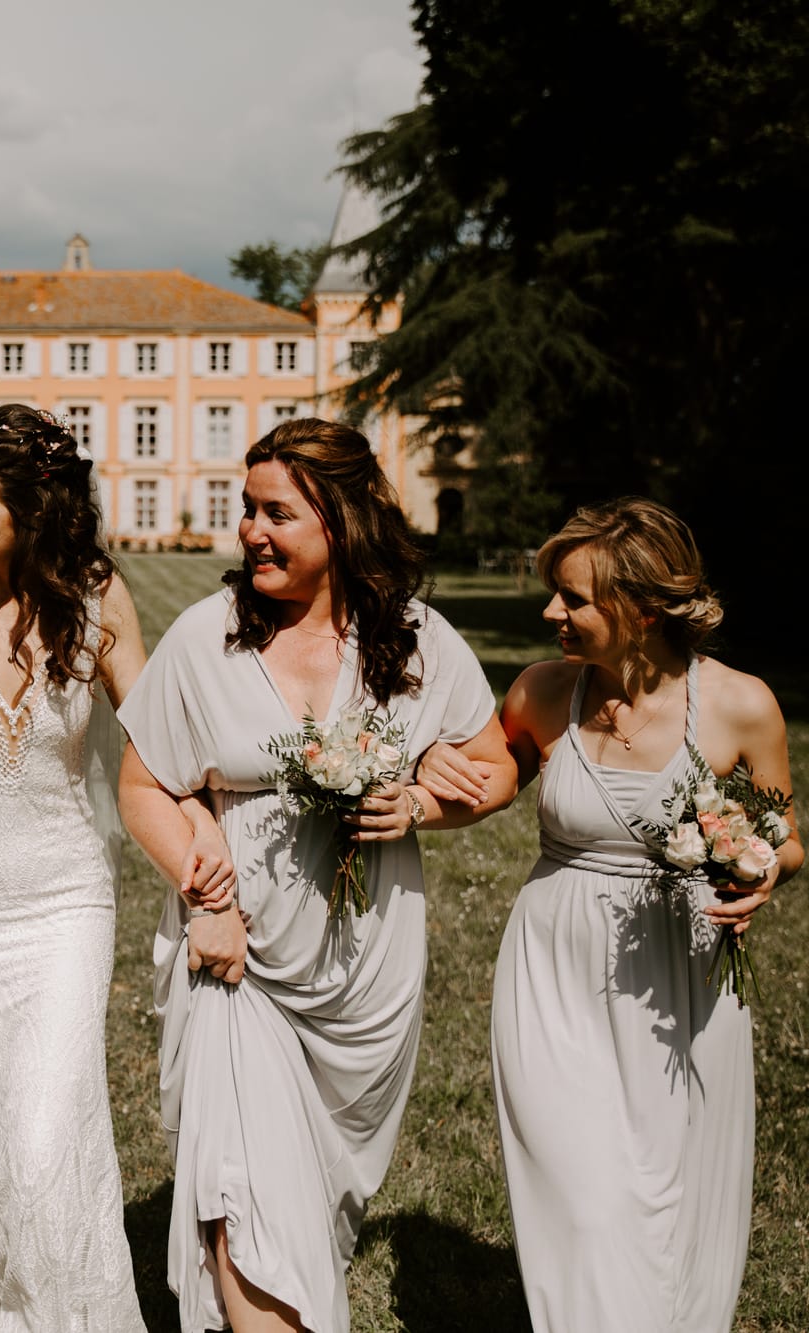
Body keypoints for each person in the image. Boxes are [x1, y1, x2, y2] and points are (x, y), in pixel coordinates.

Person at [117, 418, 517, 1333]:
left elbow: (492, 767)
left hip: (366, 967)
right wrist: (200, 889)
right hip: (237, 958)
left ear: (340, 520)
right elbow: (141, 784)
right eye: (245, 508)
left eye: (277, 513)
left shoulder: (417, 640)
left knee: (316, 1206)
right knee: (241, 1191)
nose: (251, 530)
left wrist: (419, 803)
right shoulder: (203, 639)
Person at [0, 404, 235, 1332]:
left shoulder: (99, 598)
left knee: (43, 1130)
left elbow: (158, 743)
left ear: (33, 511)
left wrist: (209, 844)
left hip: (63, 902)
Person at [415, 497, 803, 1332]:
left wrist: (760, 871)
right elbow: (483, 788)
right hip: (554, 969)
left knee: (674, 1191)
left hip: (682, 977)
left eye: (574, 597)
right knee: (585, 1193)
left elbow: (786, 836)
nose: (550, 610)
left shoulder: (741, 706)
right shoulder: (544, 692)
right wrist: (418, 783)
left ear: (643, 609)